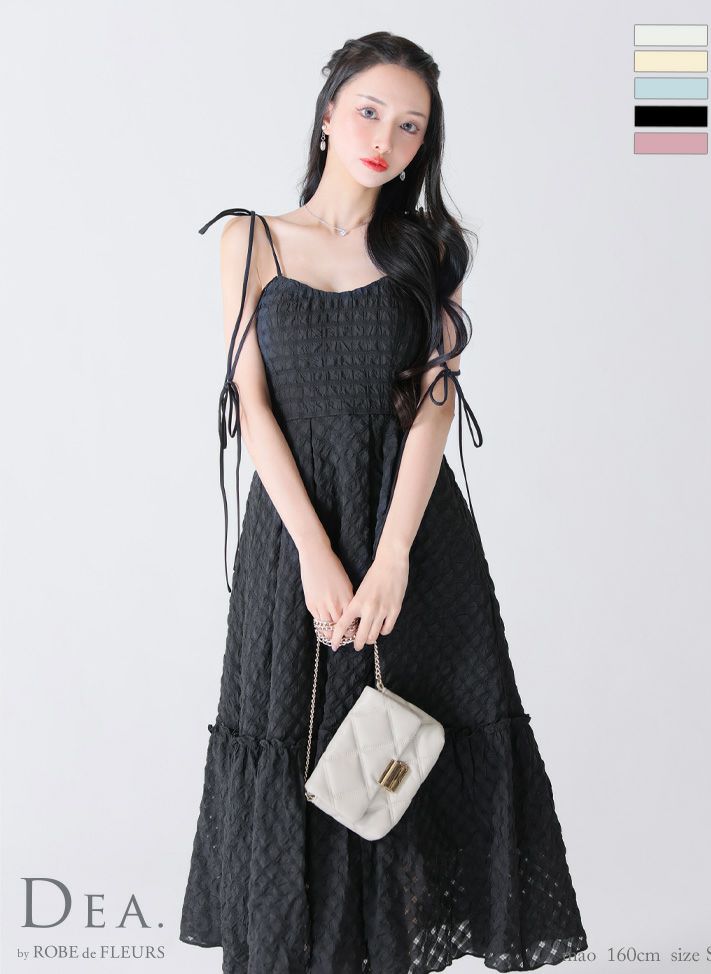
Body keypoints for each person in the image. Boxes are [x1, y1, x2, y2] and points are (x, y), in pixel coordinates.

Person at [180, 30, 588, 974]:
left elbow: (432, 406)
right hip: (295, 538)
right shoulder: (251, 239)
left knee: (404, 754)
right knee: (300, 747)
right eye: (369, 112)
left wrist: (394, 556)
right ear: (329, 114)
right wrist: (316, 553)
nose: (385, 138)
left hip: (415, 535)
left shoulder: (429, 249)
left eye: (410, 127)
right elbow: (252, 404)